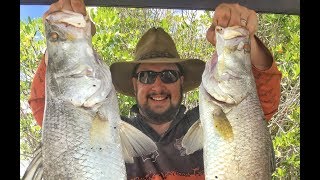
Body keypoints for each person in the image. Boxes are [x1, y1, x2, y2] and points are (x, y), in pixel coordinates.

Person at [28, 0, 282, 179]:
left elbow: (259, 100)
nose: (158, 85)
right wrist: (64, 47)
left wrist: (242, 42)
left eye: (169, 75)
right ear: (134, 83)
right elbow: (51, 110)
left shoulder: (203, 122)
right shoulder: (115, 131)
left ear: (182, 81)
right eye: (147, 76)